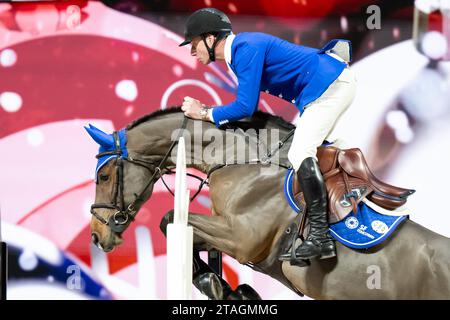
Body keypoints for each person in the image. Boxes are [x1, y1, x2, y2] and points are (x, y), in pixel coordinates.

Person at [179, 8, 357, 263]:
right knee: (319, 152)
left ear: (210, 38)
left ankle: (320, 236)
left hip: (329, 86)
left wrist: (205, 112)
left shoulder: (245, 48)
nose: (192, 51)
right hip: (327, 86)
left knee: (299, 152)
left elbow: (245, 107)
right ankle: (343, 212)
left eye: (194, 43)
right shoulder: (239, 53)